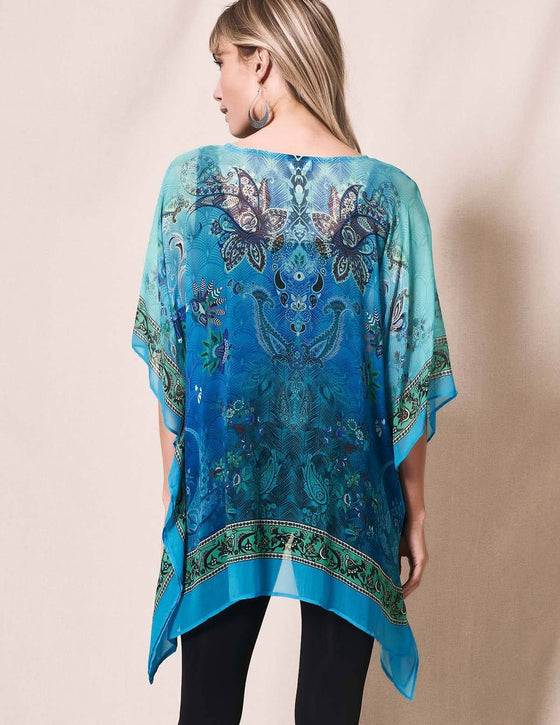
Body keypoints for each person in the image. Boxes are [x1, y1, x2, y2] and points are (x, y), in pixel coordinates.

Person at [131, 0, 458, 722]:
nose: (216, 88)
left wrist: (178, 487)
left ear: (262, 62)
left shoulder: (191, 185)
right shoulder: (392, 198)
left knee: (205, 708)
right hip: (351, 498)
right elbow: (408, 369)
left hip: (225, 488)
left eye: (222, 63)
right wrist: (414, 505)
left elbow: (173, 363)